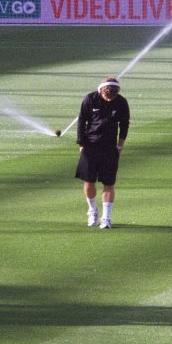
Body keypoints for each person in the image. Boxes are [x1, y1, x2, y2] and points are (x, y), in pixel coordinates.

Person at [75, 76, 130, 229]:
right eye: (107, 95)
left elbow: (124, 125)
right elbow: (82, 121)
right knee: (89, 181)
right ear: (102, 90)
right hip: (90, 146)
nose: (109, 99)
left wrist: (120, 146)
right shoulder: (90, 99)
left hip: (110, 148)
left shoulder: (121, 102)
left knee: (109, 183)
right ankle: (92, 211)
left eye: (112, 96)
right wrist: (81, 144)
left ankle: (106, 217)